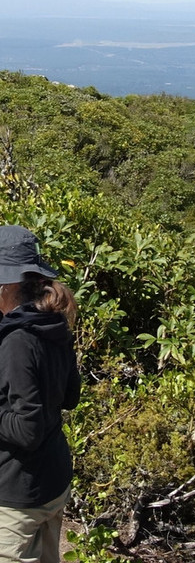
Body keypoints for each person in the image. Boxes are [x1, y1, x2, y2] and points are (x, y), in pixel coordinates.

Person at [0, 226, 80, 563]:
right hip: (53, 481)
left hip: (18, 495)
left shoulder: (17, 341)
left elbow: (27, 429)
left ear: (6, 286)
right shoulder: (52, 324)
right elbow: (71, 396)